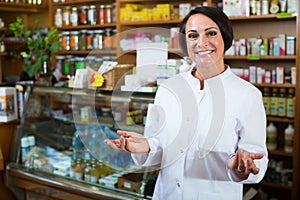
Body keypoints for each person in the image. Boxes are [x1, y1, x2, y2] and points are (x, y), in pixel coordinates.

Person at [105, 6, 268, 200]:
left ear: (225, 38)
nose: (202, 42)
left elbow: (256, 159)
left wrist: (241, 168)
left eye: (211, 33)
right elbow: (159, 145)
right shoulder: (168, 89)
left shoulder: (248, 95)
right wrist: (146, 146)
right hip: (166, 195)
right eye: (192, 36)